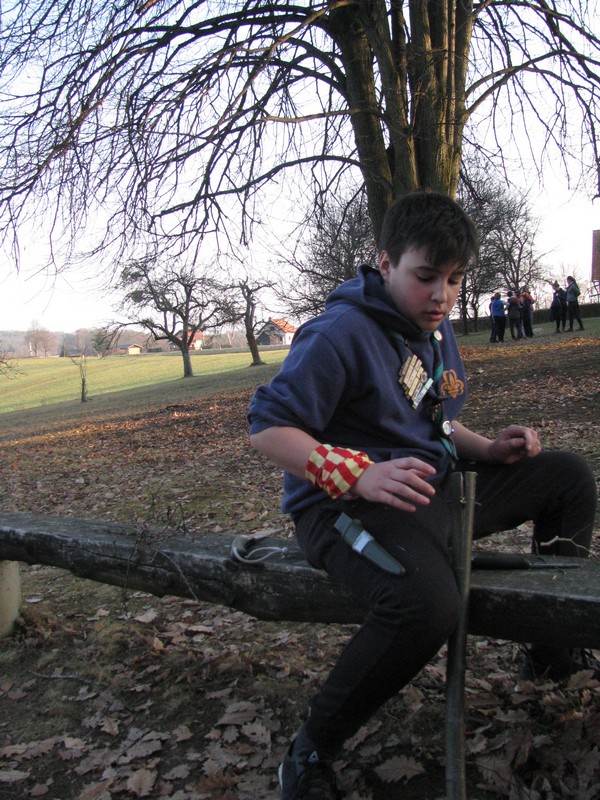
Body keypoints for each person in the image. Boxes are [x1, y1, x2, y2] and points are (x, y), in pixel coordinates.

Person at [247, 192, 598, 800]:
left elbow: (433, 421)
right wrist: (358, 474)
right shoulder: (338, 333)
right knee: (429, 607)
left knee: (567, 476)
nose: (442, 295)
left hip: (431, 489)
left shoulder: (432, 331)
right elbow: (267, 428)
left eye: (455, 280)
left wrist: (489, 449)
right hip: (344, 509)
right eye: (426, 276)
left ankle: (550, 654)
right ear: (385, 263)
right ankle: (310, 752)